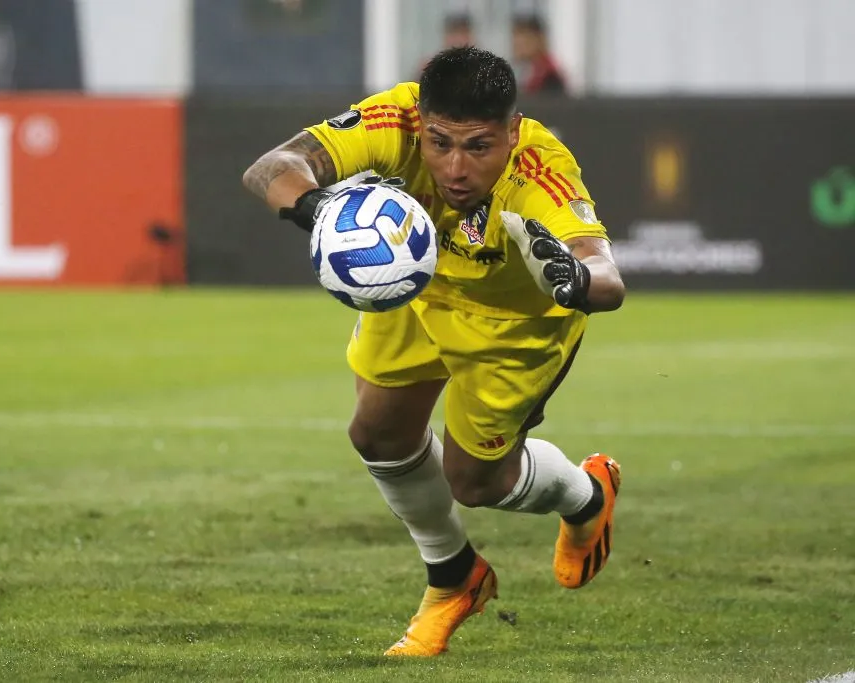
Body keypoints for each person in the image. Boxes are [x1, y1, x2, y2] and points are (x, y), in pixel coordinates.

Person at [242, 46, 624, 657]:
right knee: (377, 435)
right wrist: (319, 208)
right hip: (420, 287)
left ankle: (587, 496)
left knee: (475, 482)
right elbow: (271, 167)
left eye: (478, 147)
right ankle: (454, 578)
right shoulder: (393, 120)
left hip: (512, 326)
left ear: (512, 131)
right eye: (440, 142)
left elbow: (605, 274)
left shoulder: (541, 168)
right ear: (421, 121)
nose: (455, 168)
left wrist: (577, 280)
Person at [511, 14, 568, 95]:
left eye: (524, 42)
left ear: (540, 39)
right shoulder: (529, 72)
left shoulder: (550, 76)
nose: (517, 47)